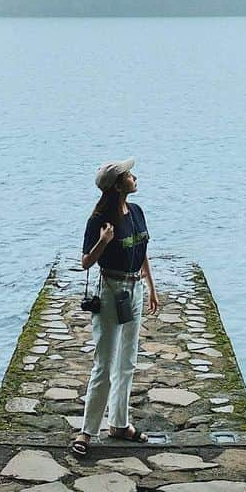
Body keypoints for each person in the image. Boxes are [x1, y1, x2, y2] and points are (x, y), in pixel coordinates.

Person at [70, 158, 159, 459]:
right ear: (118, 184)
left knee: (128, 362)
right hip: (110, 290)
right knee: (104, 364)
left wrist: (151, 287)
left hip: (134, 288)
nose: (134, 177)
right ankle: (86, 430)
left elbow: (142, 249)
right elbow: (85, 262)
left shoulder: (137, 212)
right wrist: (103, 242)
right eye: (129, 175)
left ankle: (119, 423)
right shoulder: (98, 220)